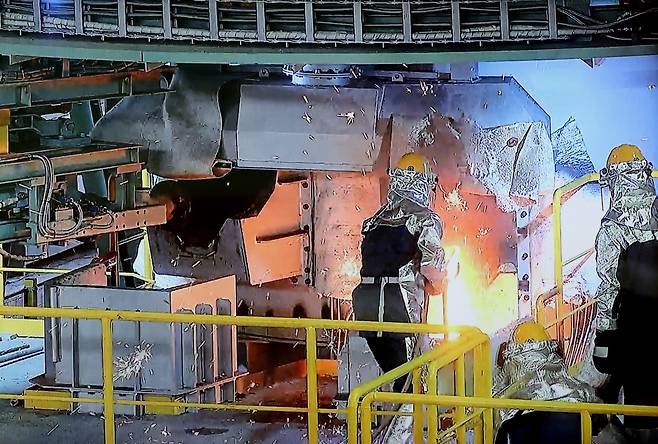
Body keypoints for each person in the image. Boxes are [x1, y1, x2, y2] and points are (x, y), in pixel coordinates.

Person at [351, 152, 446, 443]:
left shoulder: (374, 219)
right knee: (414, 385)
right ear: (424, 182)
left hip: (365, 305)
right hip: (397, 308)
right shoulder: (424, 218)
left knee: (393, 375)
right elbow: (432, 266)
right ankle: (397, 439)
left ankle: (375, 432)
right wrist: (439, 283)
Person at [582, 145, 658, 395]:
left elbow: (609, 286)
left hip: (635, 326)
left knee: (641, 394)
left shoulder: (612, 228)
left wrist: (604, 336)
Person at [494, 321, 601, 444]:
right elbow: (600, 421)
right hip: (570, 421)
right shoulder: (576, 389)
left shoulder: (512, 371)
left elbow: (494, 405)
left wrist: (499, 370)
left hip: (522, 424)